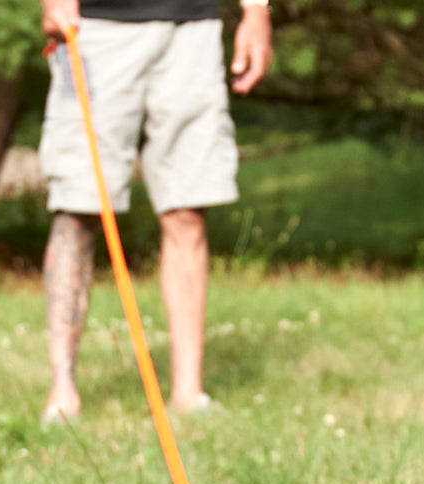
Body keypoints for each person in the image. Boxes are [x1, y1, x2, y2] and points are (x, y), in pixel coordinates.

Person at [38, 0, 272, 423]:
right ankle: (62, 391)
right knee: (78, 206)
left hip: (192, 28)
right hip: (97, 24)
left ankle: (189, 394)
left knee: (188, 209)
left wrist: (257, 10)